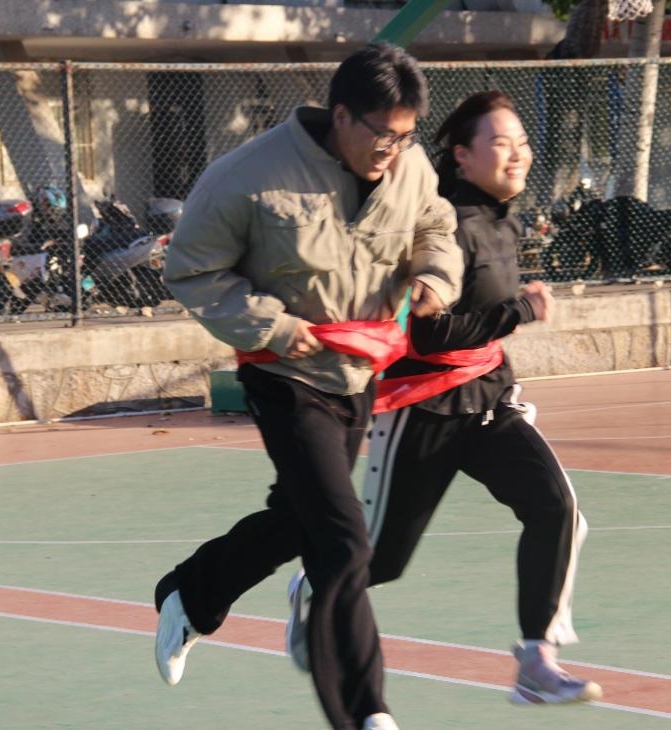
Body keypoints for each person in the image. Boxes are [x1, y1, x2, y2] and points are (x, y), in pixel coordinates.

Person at [153, 43, 464, 730]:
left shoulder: (410, 166)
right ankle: (365, 711)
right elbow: (192, 269)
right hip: (285, 376)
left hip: (359, 374)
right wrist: (271, 324)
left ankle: (191, 592)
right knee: (343, 542)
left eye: (404, 135)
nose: (392, 149)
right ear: (341, 114)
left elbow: (435, 226)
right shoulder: (248, 176)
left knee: (301, 518)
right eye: (381, 133)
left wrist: (434, 277)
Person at [286, 90, 602, 706]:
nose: (518, 154)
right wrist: (518, 311)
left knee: (557, 509)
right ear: (462, 155)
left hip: (489, 400)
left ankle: (536, 661)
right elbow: (427, 333)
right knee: (382, 560)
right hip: (424, 406)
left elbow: (483, 324)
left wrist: (507, 330)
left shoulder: (504, 217)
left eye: (523, 142)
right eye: (501, 143)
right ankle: (314, 585)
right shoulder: (446, 223)